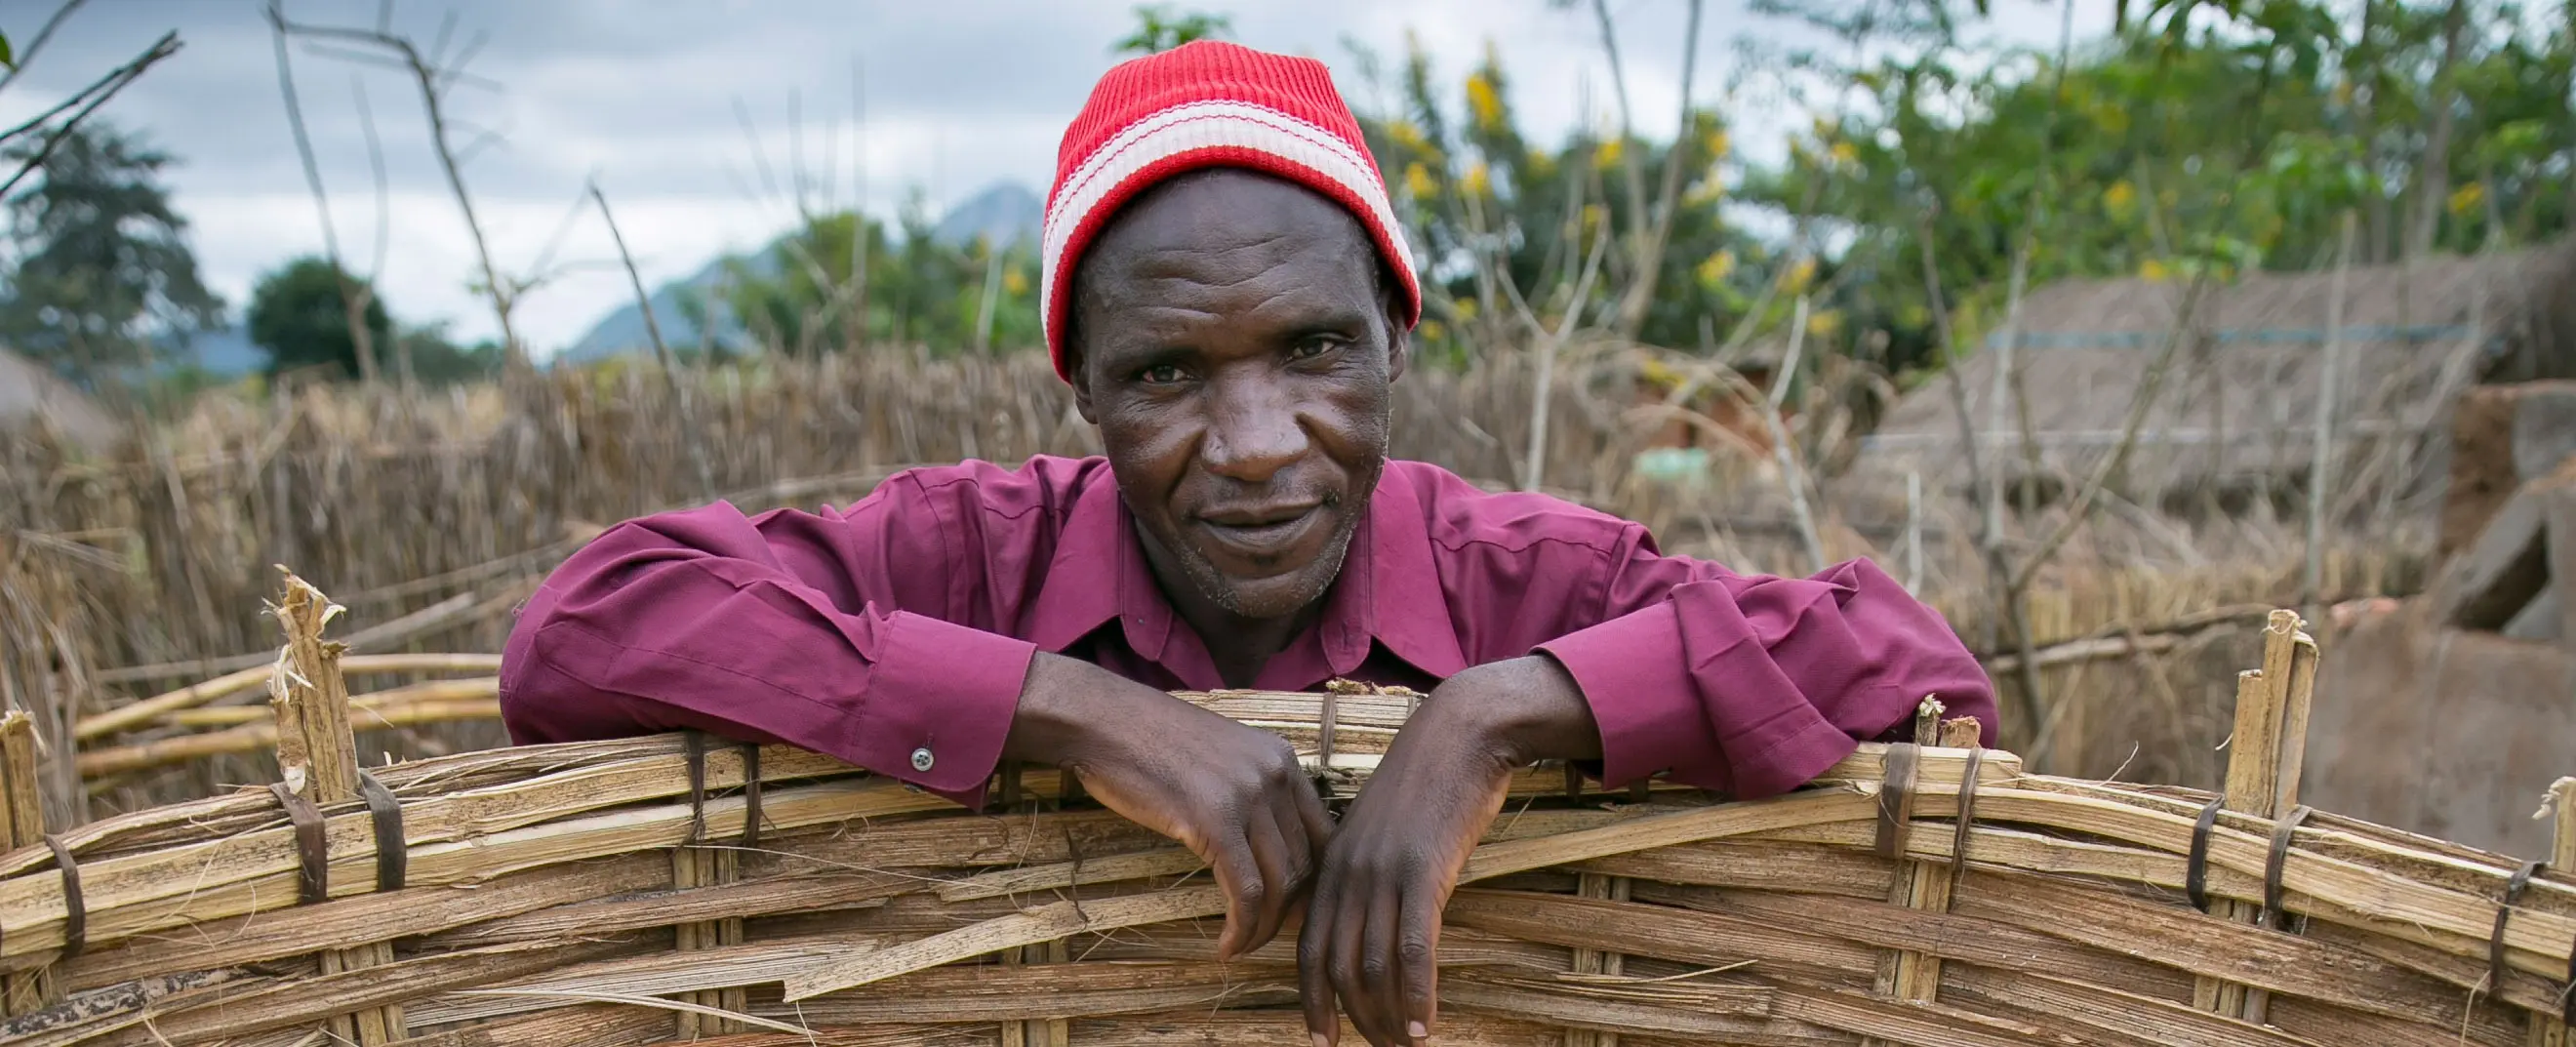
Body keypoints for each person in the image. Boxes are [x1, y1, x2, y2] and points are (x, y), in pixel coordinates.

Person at [497, 39, 1994, 1047]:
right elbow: (584, 631)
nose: (1261, 442)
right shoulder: (973, 553)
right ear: (1078, 383)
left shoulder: (1524, 578)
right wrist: (1070, 710)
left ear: (1395, 342)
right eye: (1166, 375)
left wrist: (1491, 715)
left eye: (1316, 352)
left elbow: (1926, 681)